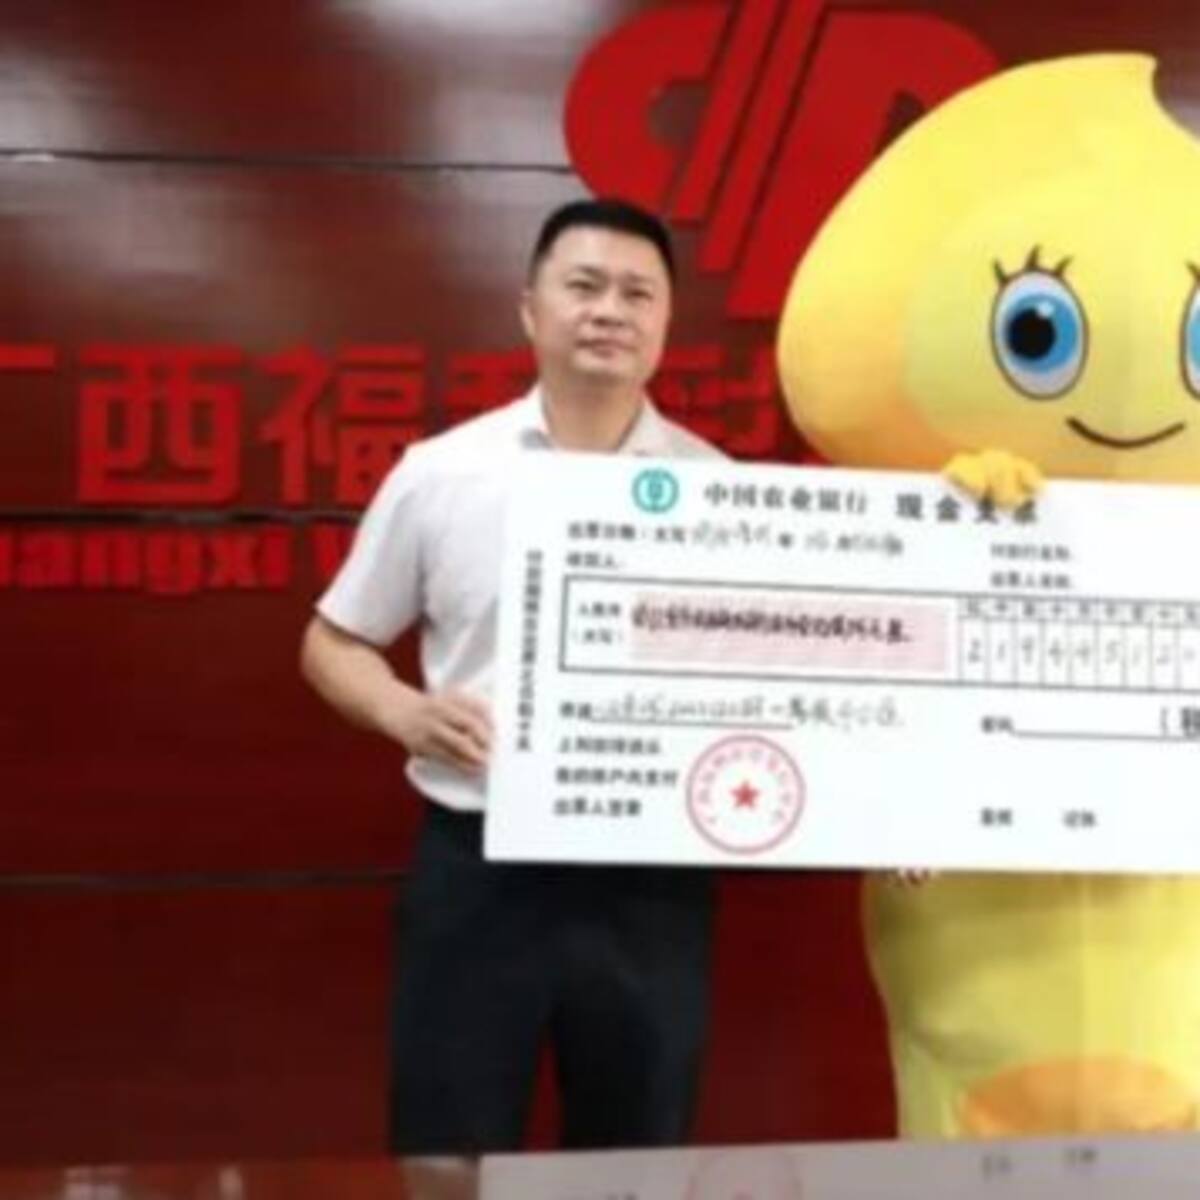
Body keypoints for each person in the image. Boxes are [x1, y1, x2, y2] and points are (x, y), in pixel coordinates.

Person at [300, 198, 723, 1154]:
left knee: (634, 1154)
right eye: (584, 286)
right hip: (479, 865)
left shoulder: (721, 491)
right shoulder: (443, 472)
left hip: (650, 878)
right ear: (530, 309)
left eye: (637, 294)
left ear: (665, 324)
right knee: (447, 1145)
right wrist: (404, 710)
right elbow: (331, 642)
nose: (609, 311)